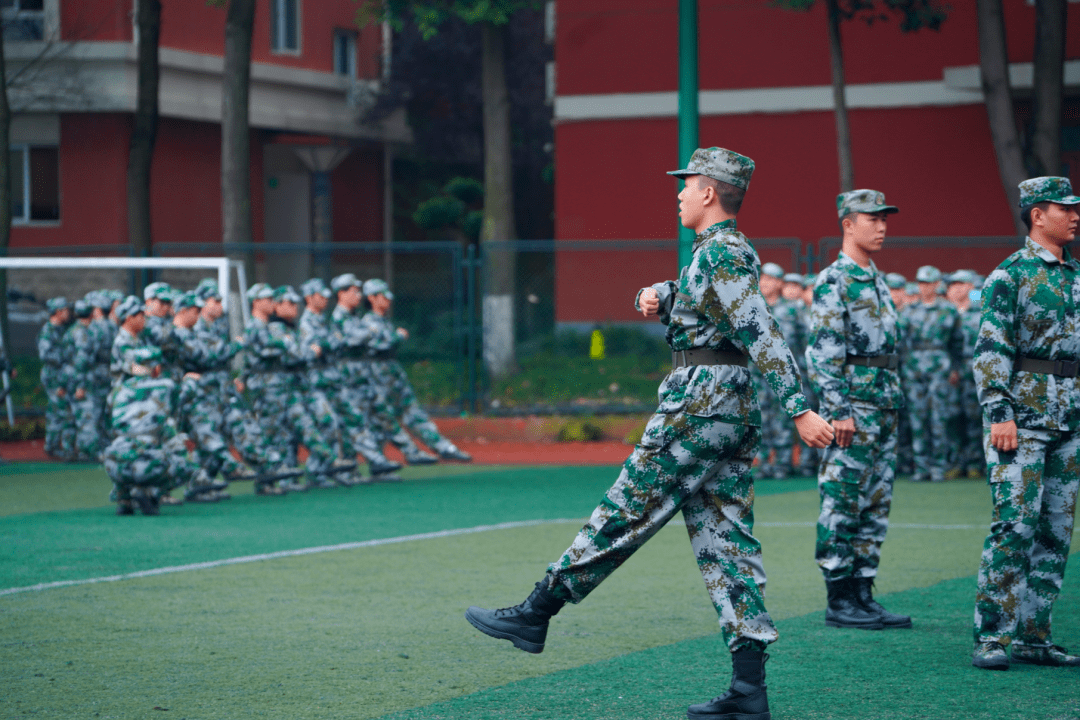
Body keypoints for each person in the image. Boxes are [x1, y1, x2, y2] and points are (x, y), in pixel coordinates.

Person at [464, 147, 834, 720]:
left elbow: (760, 330)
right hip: (723, 407)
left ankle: (537, 611)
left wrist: (799, 408)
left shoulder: (725, 253)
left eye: (686, 184)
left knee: (628, 506)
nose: (679, 193)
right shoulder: (716, 255)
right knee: (728, 547)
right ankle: (748, 688)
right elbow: (713, 308)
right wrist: (665, 295)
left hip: (700, 404)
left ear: (709, 192)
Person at [971, 177, 1080, 670]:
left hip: (1069, 418)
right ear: (1037, 214)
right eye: (1065, 207)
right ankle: (993, 636)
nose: (1075, 215)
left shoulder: (1073, 276)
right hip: (1023, 418)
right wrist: (1000, 413)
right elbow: (992, 348)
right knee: (1014, 525)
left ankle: (1035, 635)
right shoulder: (1009, 276)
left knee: (1056, 530)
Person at [806, 189, 911, 631]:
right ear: (848, 224)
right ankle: (839, 596)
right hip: (854, 406)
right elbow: (823, 353)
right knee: (843, 498)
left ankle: (864, 592)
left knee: (875, 502)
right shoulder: (835, 280)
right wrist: (838, 409)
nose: (882, 226)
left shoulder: (876, 279)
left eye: (885, 218)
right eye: (873, 218)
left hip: (884, 403)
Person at [360, 278, 472, 464]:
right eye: (383, 297)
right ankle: (379, 462)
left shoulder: (382, 321)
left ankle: (443, 447)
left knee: (413, 412)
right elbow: (378, 345)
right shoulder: (367, 322)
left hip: (392, 374)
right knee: (381, 419)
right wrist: (398, 336)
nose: (388, 301)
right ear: (372, 298)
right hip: (377, 376)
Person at [104, 346, 204, 516]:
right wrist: (191, 380)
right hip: (148, 461)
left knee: (123, 444)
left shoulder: (116, 391)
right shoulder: (165, 385)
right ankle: (149, 493)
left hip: (114, 462)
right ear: (156, 368)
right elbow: (183, 397)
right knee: (188, 460)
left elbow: (109, 423)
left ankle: (123, 498)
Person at [330, 273, 404, 482]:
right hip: (347, 378)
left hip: (360, 377)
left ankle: (366, 467)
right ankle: (347, 469)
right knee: (350, 422)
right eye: (354, 291)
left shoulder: (353, 317)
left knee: (367, 420)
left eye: (358, 291)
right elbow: (355, 340)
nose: (358, 295)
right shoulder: (339, 317)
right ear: (342, 293)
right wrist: (369, 333)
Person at [899, 266, 962, 482]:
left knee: (938, 416)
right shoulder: (908, 311)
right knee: (917, 418)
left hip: (939, 366)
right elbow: (900, 342)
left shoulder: (949, 310)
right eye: (921, 283)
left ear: (937, 284)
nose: (925, 287)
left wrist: (955, 368)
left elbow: (957, 342)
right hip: (914, 367)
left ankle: (938, 466)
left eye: (929, 283)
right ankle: (921, 466)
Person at [753, 263, 795, 478]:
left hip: (783, 374)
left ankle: (782, 464)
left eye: (771, 279)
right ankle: (764, 463)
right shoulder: (753, 307)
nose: (766, 283)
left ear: (780, 283)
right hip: (757, 374)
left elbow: (802, 340)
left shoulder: (791, 309)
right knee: (760, 417)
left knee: (783, 417)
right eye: (763, 278)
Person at [945, 269, 983, 478]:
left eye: (962, 284)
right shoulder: (945, 311)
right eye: (952, 285)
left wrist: (975, 294)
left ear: (970, 287)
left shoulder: (980, 309)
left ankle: (975, 463)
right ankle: (955, 463)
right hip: (949, 372)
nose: (956, 289)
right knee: (951, 418)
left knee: (974, 417)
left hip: (975, 370)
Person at [38, 297, 74, 459]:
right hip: (54, 378)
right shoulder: (49, 330)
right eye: (65, 310)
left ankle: (53, 446)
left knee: (57, 412)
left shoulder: (62, 329)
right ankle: (59, 448)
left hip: (62, 377)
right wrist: (66, 356)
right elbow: (46, 355)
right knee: (62, 412)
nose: (68, 313)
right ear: (58, 312)